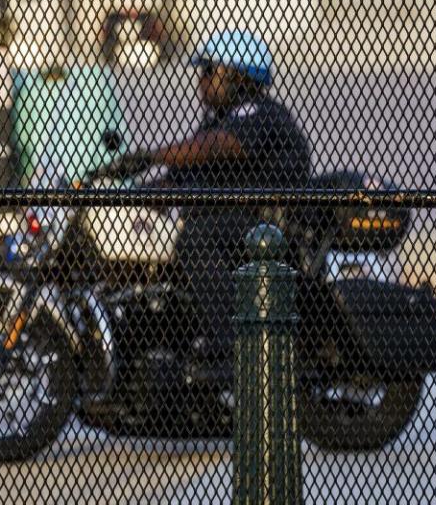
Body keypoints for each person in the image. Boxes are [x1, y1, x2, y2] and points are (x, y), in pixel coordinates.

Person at [122, 29, 311, 360]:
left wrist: (150, 156)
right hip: (233, 224)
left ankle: (231, 341)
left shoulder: (261, 113)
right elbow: (178, 178)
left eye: (209, 70)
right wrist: (124, 193)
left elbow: (219, 147)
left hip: (266, 227)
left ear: (237, 76)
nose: (201, 80)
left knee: (194, 240)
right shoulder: (217, 122)